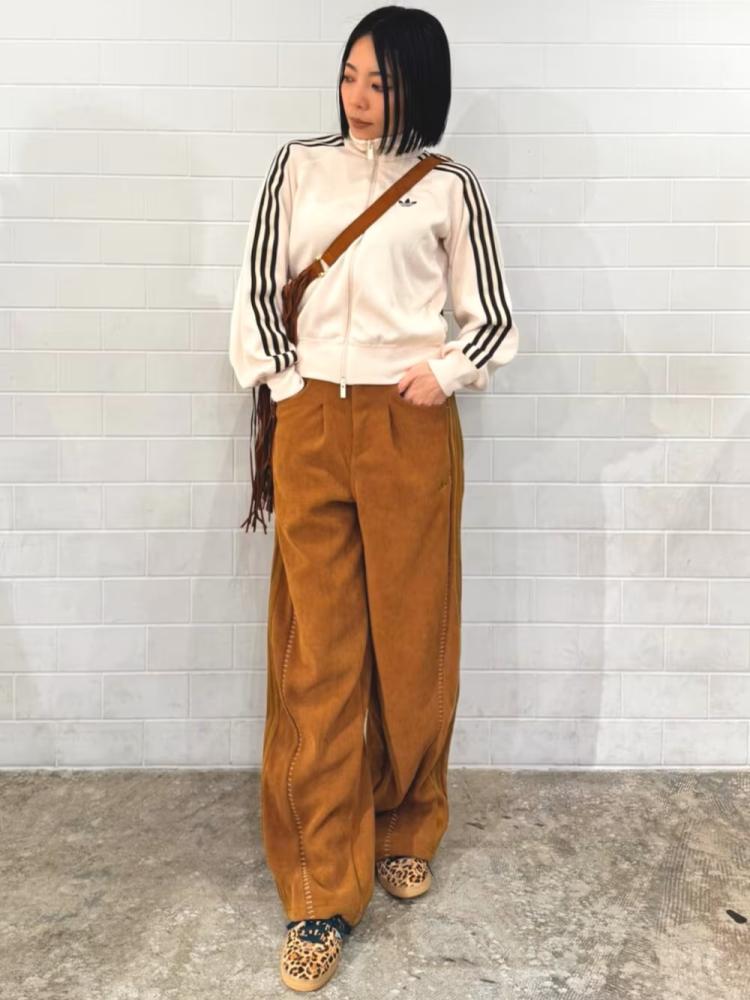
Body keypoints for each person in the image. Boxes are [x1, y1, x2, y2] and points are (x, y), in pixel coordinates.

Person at [228, 5, 519, 991]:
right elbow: (261, 292)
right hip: (313, 423)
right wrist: (285, 384)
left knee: (411, 640)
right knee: (318, 654)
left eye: (383, 82)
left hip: (408, 425)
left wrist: (447, 369)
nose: (361, 97)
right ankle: (318, 888)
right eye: (352, 74)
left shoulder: (448, 186)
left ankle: (408, 817)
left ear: (418, 89)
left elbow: (493, 316)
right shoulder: (297, 167)